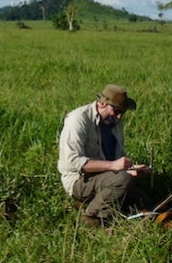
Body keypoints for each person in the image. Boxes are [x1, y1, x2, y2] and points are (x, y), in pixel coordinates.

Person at [58, 84, 152, 227]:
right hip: (79, 179)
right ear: (102, 104)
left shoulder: (114, 121)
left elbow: (117, 158)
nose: (119, 116)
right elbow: (72, 162)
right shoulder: (78, 119)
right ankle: (92, 218)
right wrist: (114, 166)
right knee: (123, 180)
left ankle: (96, 201)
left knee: (144, 201)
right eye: (116, 111)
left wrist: (132, 169)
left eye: (123, 113)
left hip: (106, 176)